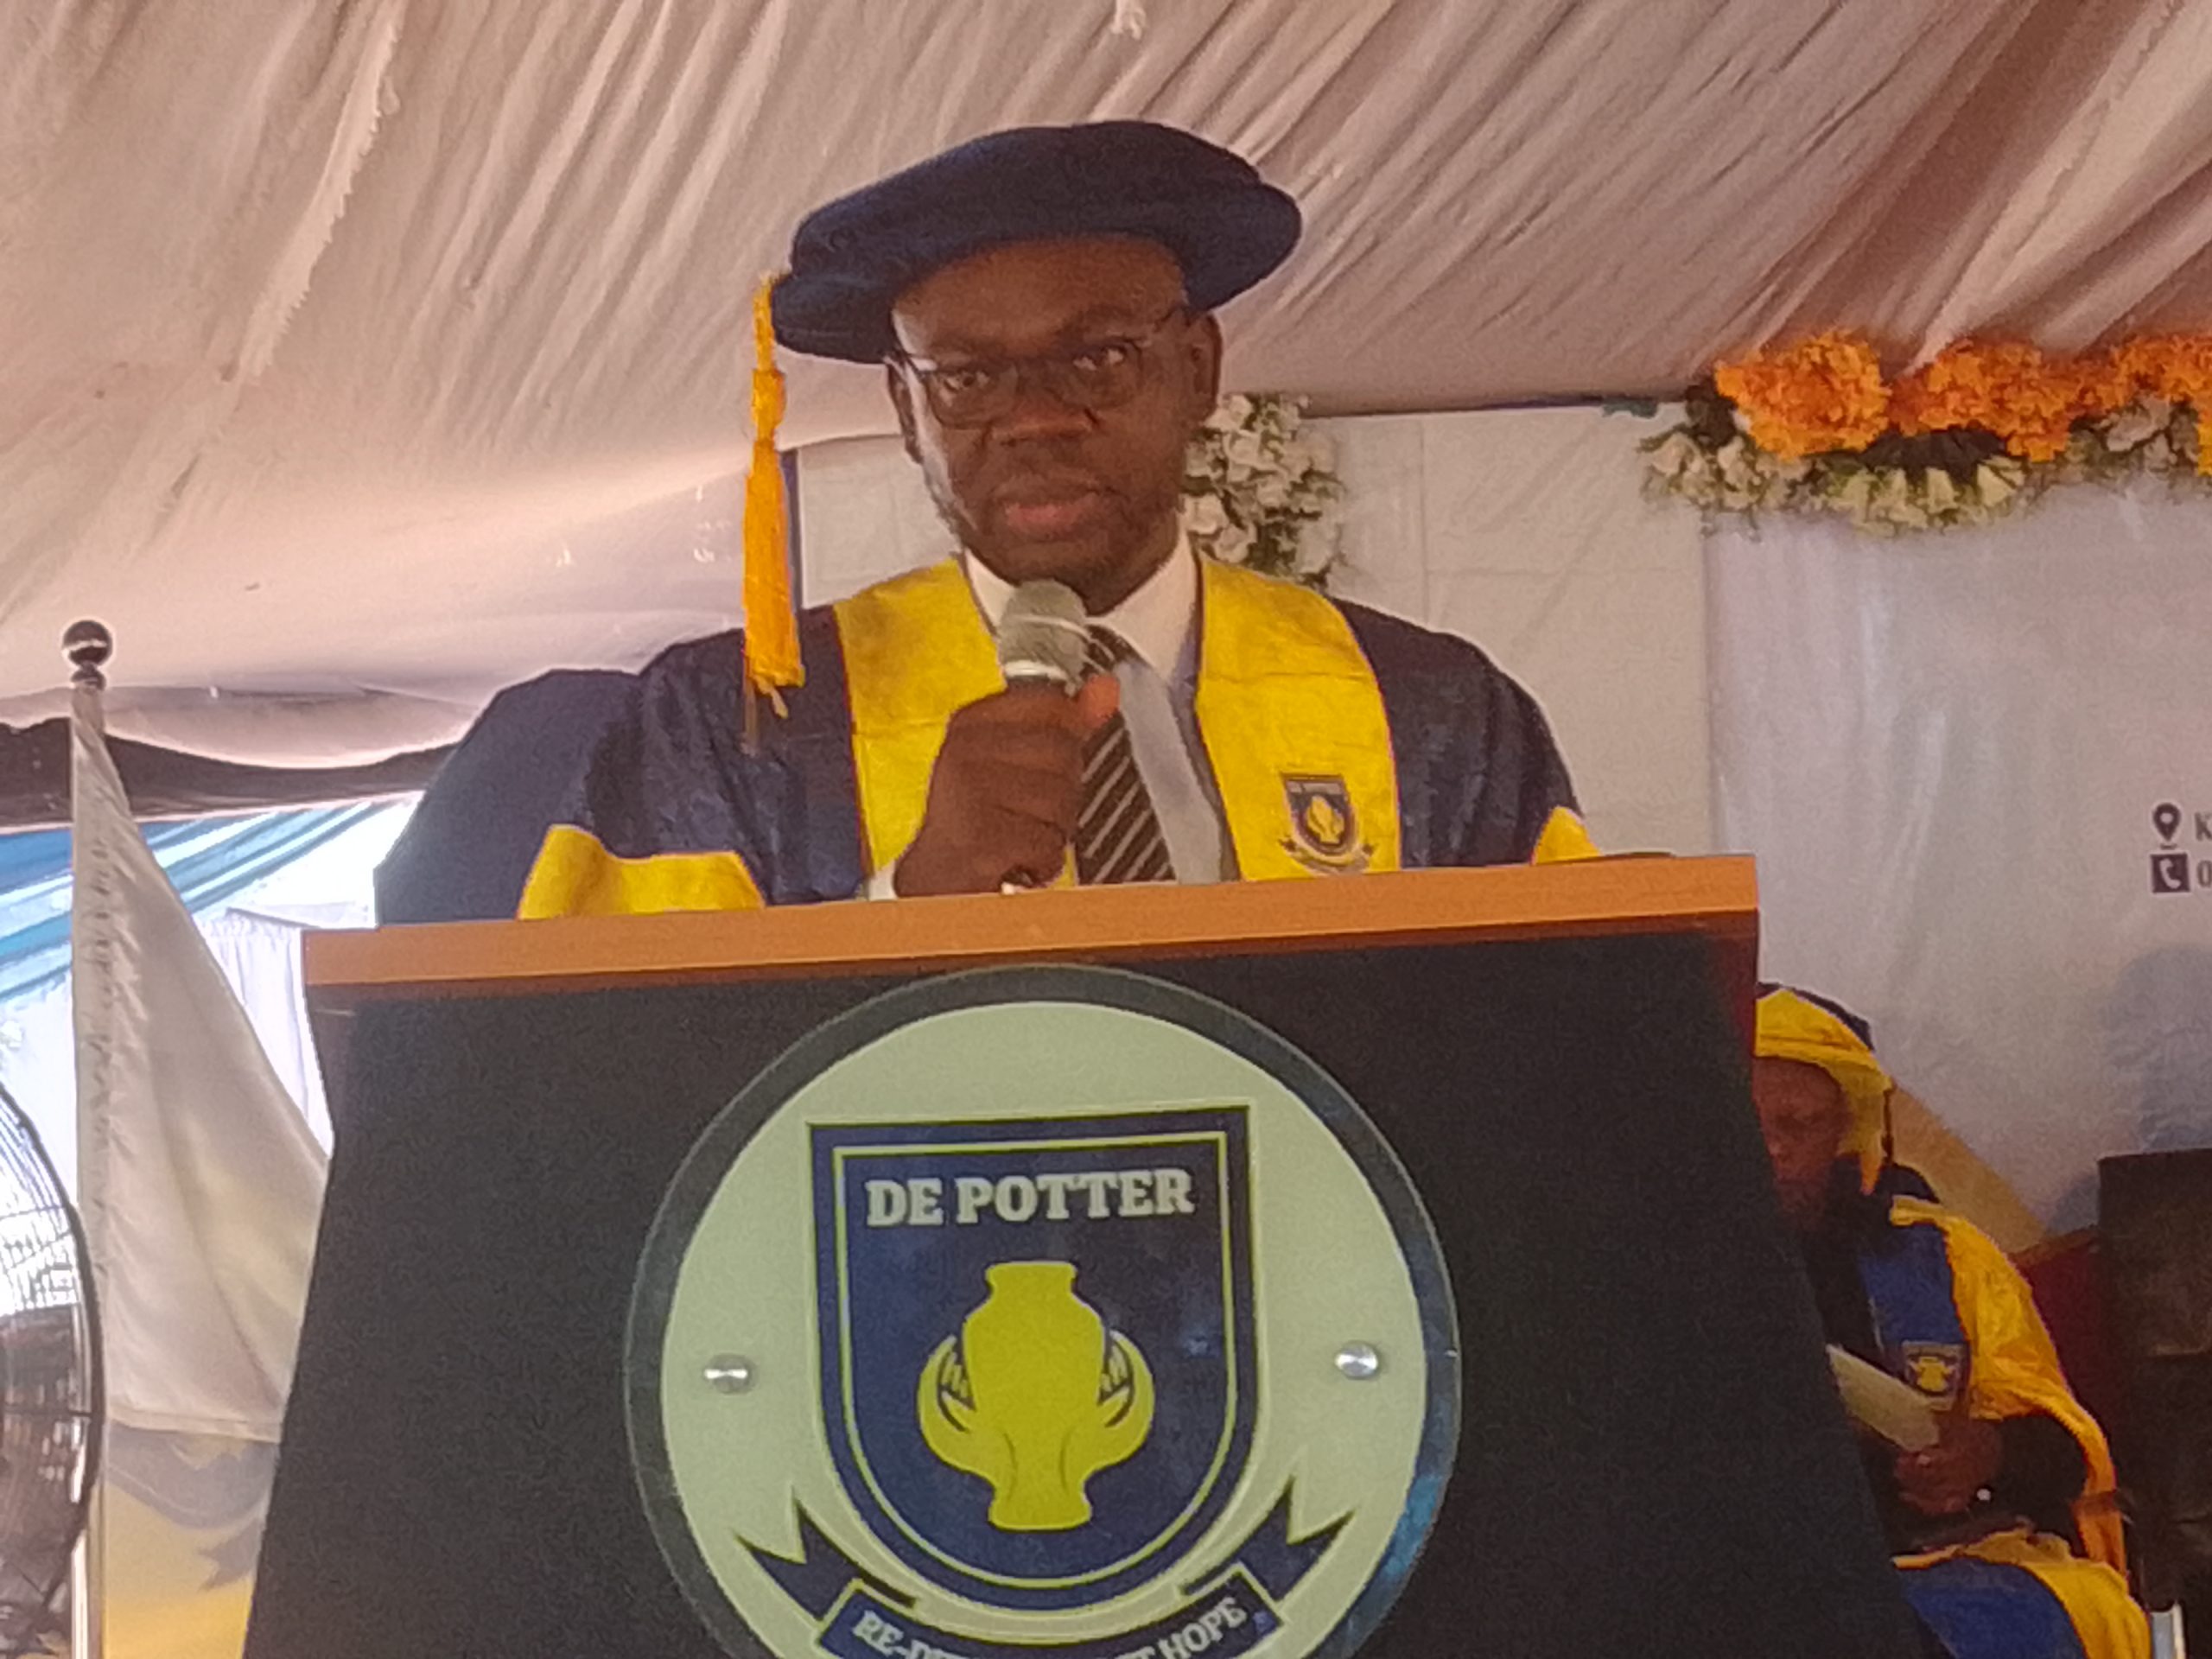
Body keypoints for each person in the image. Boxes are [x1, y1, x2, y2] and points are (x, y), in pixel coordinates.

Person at [409, 121, 1592, 923]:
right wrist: (908, 903)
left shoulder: (1433, 713)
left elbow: (1551, 1057)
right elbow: (616, 1083)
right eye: (967, 378)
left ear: (1197, 366)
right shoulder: (736, 725)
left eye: (1097, 358)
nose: (1033, 420)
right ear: (906, 410)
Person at [1752, 988, 2148, 1659]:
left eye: (1800, 1124)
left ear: (1844, 1132)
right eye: (1749, 1121)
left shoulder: (1945, 1255)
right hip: (1741, 1569)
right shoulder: (1641, 1264)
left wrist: (1987, 1452)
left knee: (2074, 1608)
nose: (1772, 1148)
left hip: (1941, 1564)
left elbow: (2064, 1443)